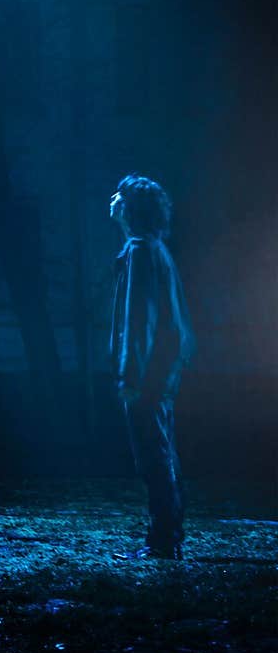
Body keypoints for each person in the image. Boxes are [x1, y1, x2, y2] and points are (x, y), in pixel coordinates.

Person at [109, 175, 196, 560]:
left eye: (120, 196)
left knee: (153, 457)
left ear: (130, 208)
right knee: (161, 452)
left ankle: (163, 541)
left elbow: (138, 319)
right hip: (160, 373)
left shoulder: (142, 251)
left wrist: (130, 376)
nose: (112, 200)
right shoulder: (152, 249)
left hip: (148, 376)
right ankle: (168, 535)